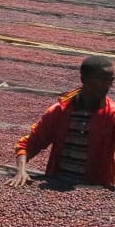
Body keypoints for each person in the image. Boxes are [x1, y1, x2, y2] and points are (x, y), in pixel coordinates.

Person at [8, 56, 115, 187]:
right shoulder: (59, 112)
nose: (108, 86)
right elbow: (28, 145)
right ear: (84, 80)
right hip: (56, 184)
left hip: (94, 188)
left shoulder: (112, 115)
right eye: (102, 80)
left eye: (111, 80)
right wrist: (21, 171)